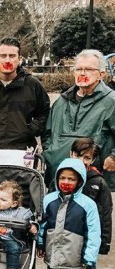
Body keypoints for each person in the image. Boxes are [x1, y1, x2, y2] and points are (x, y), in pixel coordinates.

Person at [35, 158, 100, 269]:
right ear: (57, 178)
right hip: (54, 251)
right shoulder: (49, 200)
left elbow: (94, 232)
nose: (66, 182)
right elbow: (43, 224)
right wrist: (41, 243)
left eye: (71, 179)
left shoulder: (88, 204)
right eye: (62, 178)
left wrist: (90, 255)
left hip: (76, 255)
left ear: (80, 181)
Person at [42, 49, 115, 190]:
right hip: (59, 176)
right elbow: (47, 132)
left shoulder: (111, 101)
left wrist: (113, 157)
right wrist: (50, 153)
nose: (82, 73)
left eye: (88, 69)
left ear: (101, 74)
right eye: (79, 69)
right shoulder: (62, 101)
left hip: (93, 178)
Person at [60, 138, 112, 269]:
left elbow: (105, 213)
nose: (82, 160)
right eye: (79, 155)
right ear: (71, 154)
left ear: (93, 160)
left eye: (87, 158)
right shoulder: (62, 178)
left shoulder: (98, 182)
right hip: (65, 234)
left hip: (88, 235)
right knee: (62, 267)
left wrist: (104, 241)